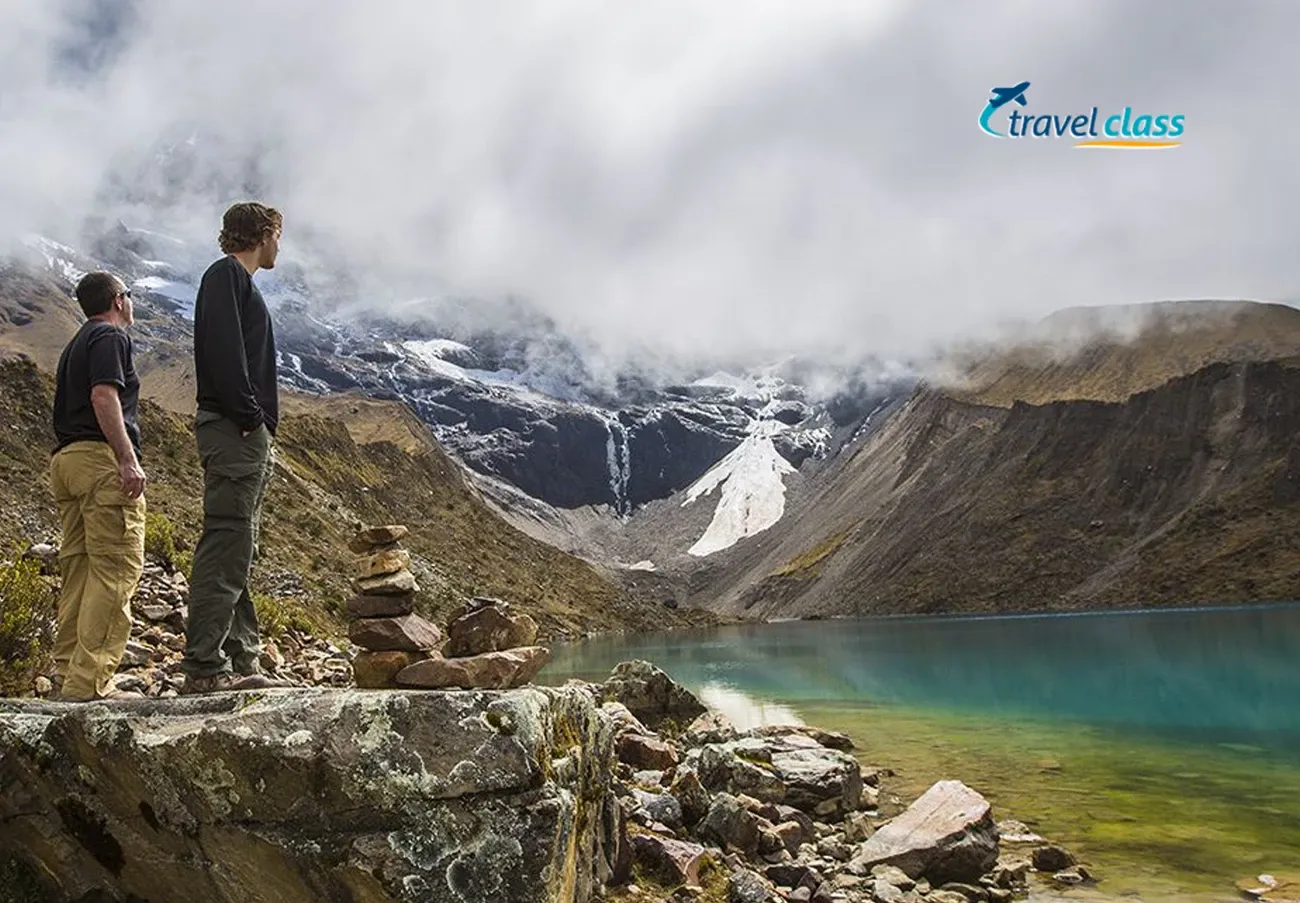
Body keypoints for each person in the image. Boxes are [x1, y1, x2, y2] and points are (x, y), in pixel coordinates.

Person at [180, 202, 290, 693]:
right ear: (264, 234)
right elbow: (225, 353)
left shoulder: (235, 282)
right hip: (233, 430)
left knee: (239, 546)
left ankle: (242, 660)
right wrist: (249, 417)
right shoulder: (225, 276)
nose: (280, 247)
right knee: (227, 541)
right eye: (278, 236)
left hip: (240, 432)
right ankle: (205, 666)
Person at [49, 271, 147, 702]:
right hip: (97, 462)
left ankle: (67, 674)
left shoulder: (75, 344)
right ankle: (90, 685)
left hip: (66, 461)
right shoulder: (110, 337)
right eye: (129, 295)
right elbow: (104, 396)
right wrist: (127, 459)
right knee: (116, 569)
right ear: (118, 300)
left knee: (80, 569)